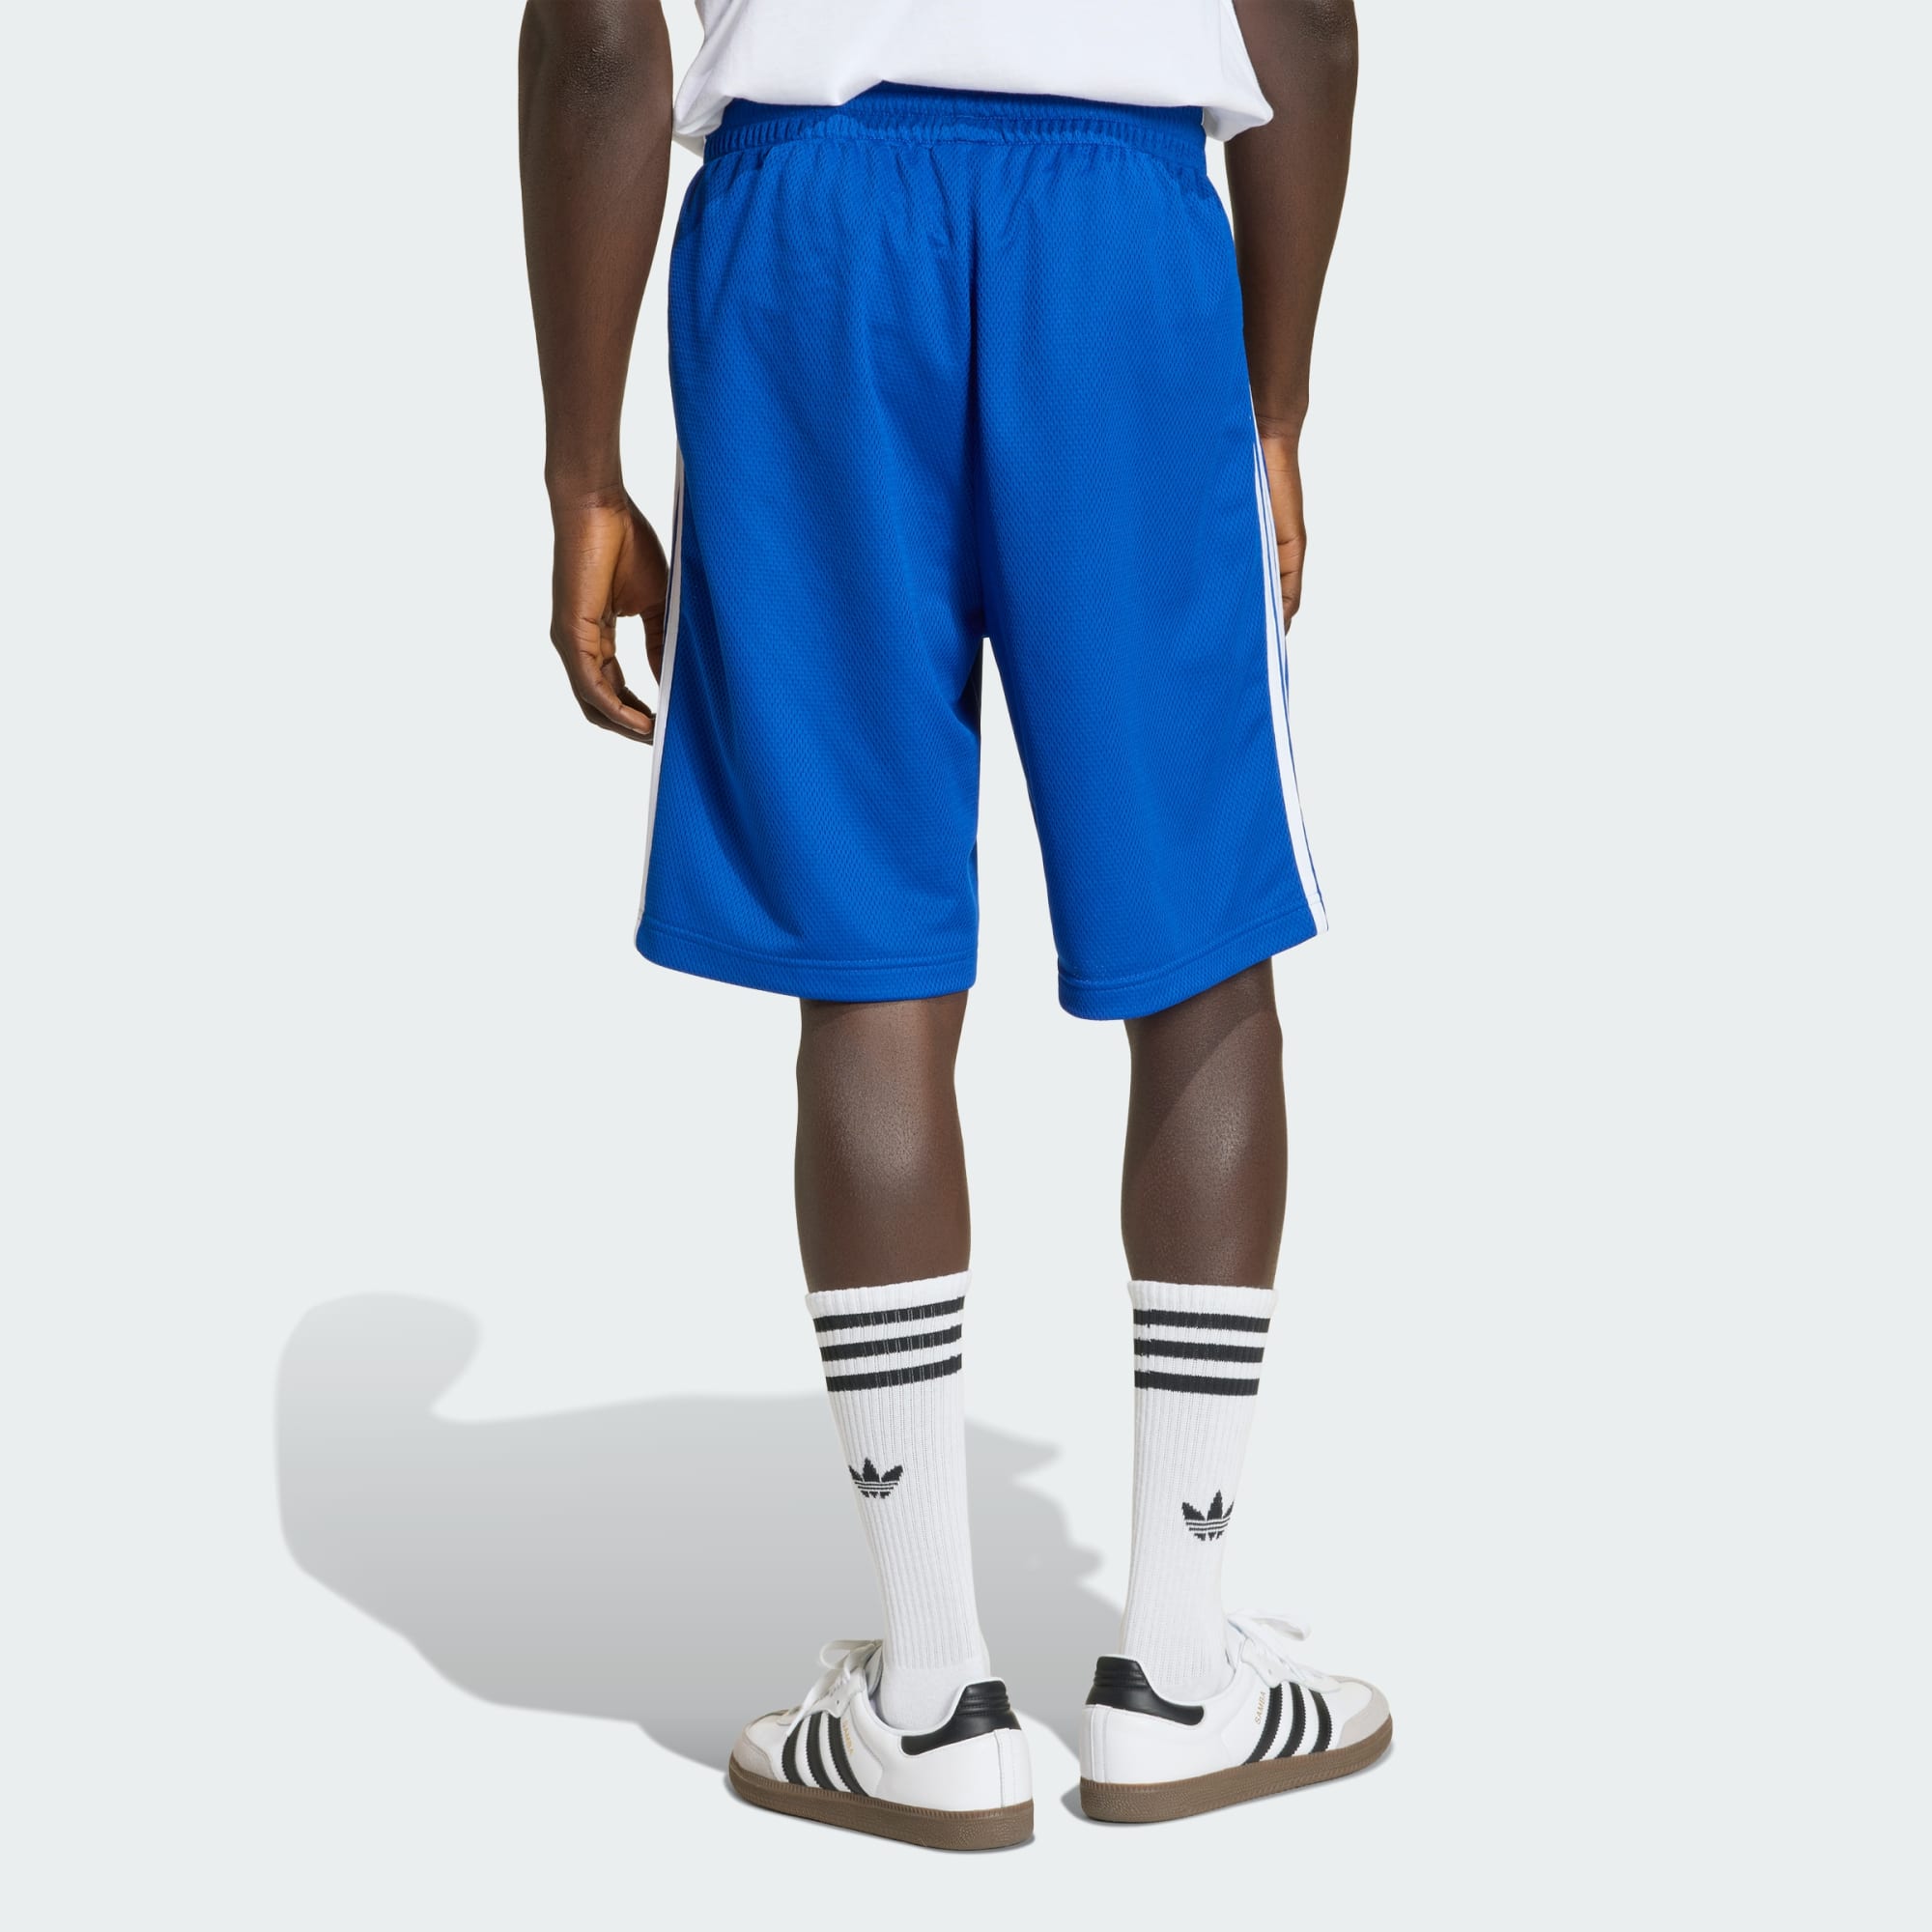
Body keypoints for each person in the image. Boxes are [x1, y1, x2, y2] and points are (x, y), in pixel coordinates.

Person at [519, 0, 1381, 1849]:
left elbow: (597, 37)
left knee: (872, 964)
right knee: (1200, 944)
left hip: (811, 238)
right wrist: (1277, 399)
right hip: (1123, 246)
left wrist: (581, 468)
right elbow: (1300, 18)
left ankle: (931, 1700)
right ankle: (1179, 1675)